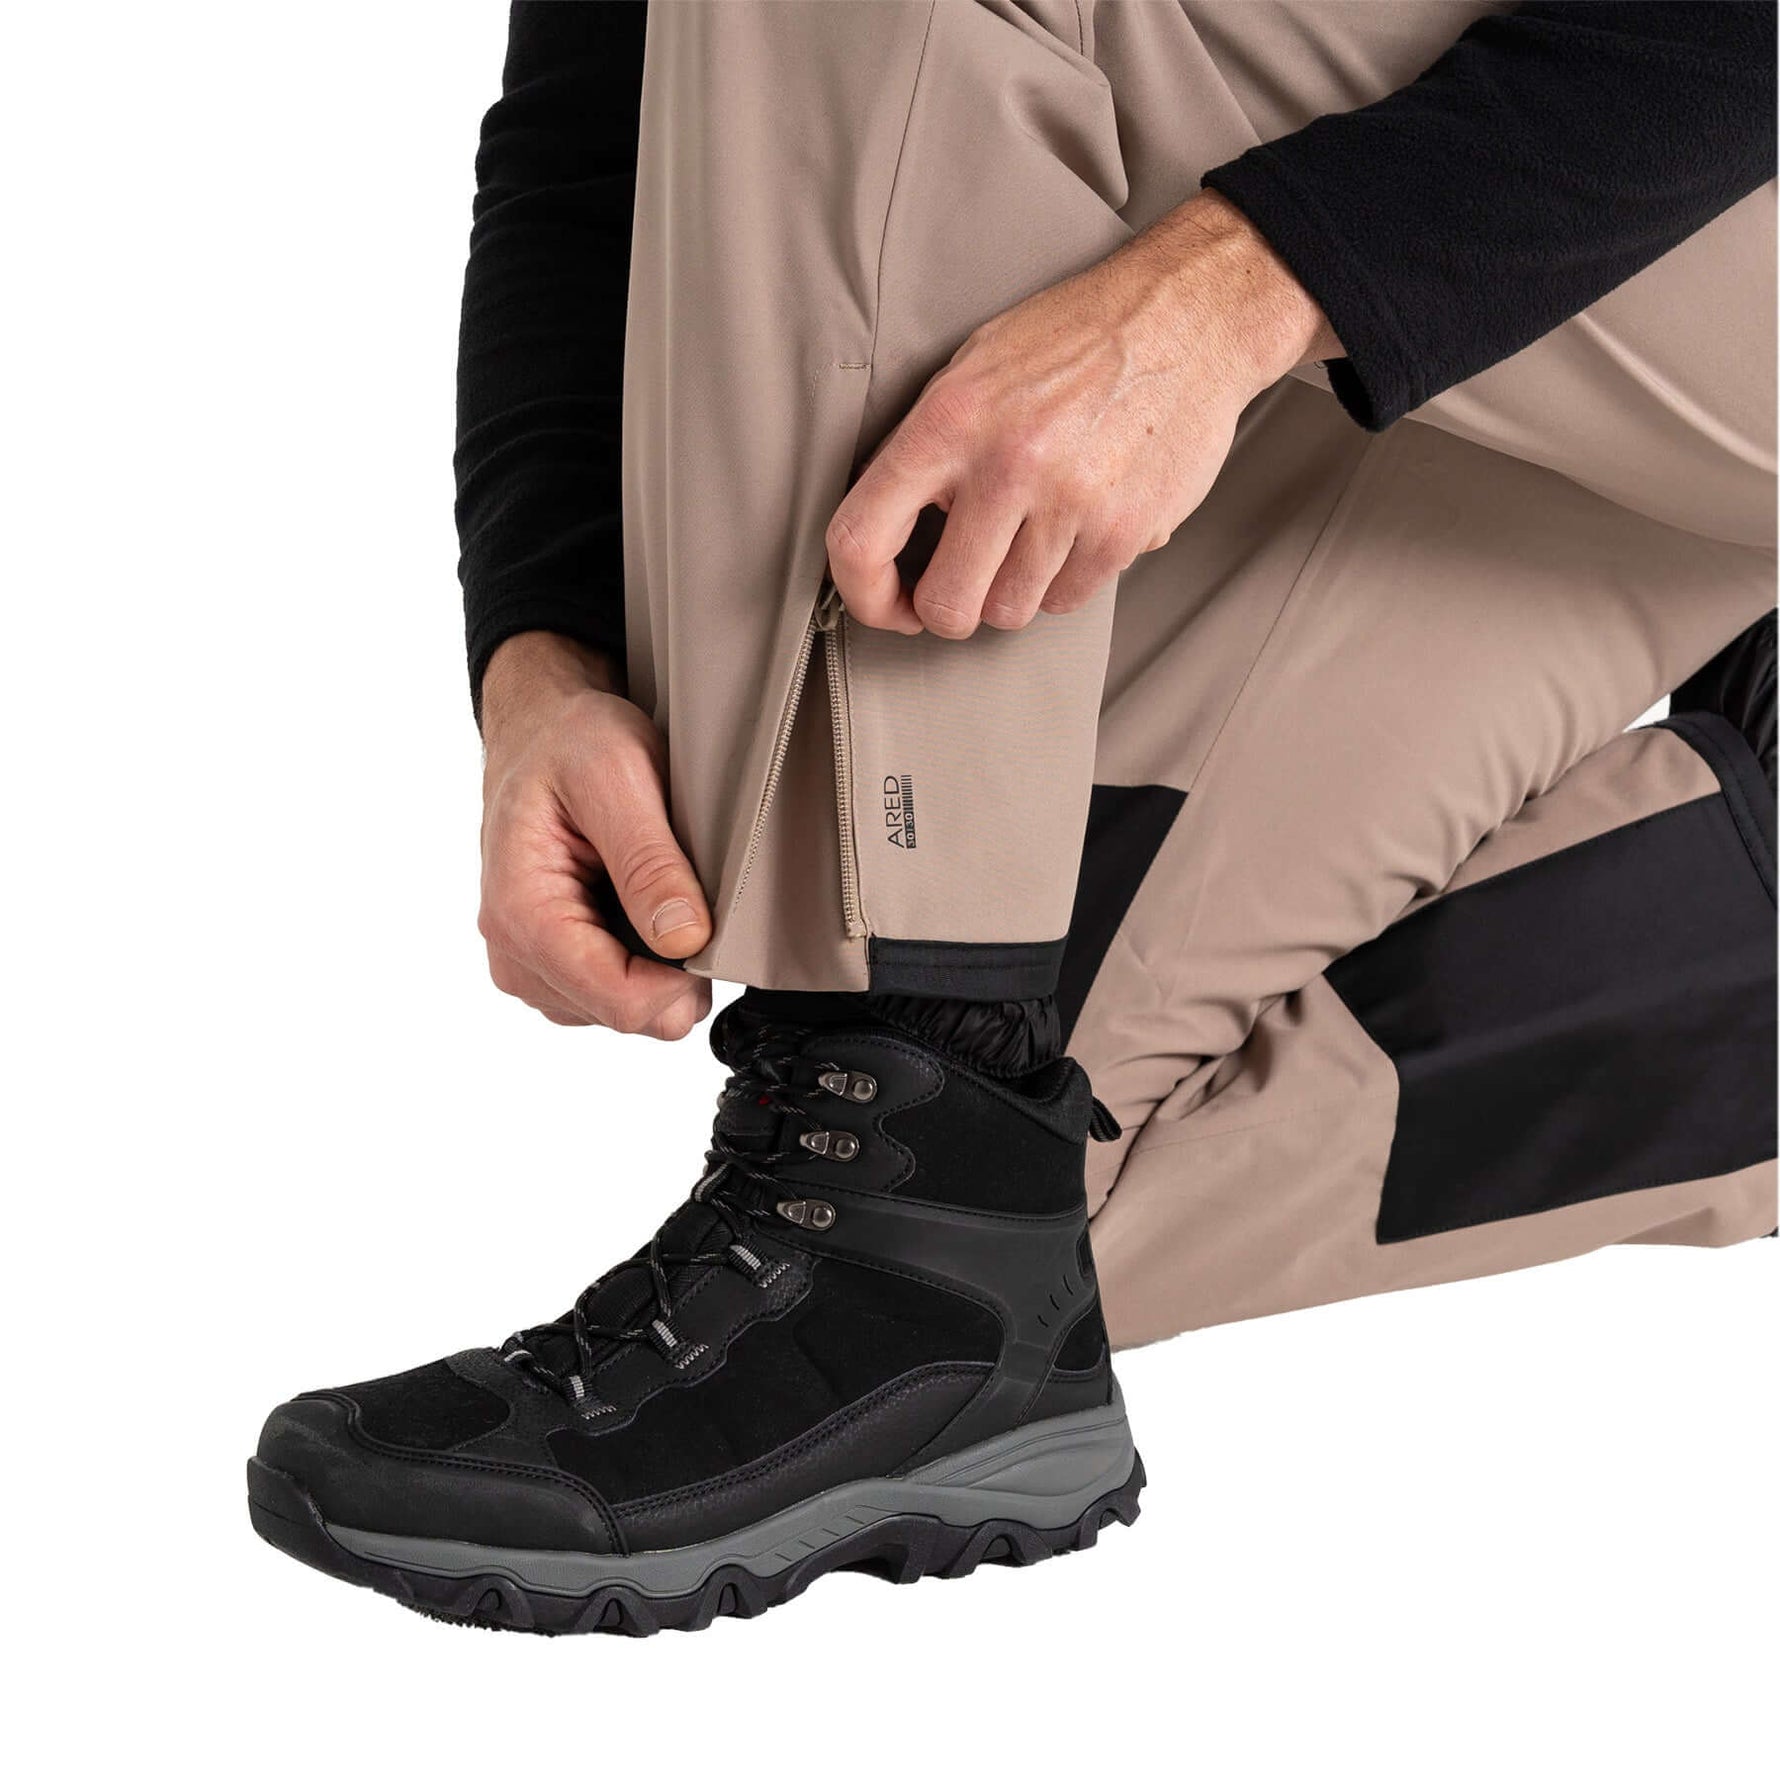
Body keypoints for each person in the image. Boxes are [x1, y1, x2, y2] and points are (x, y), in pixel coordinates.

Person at [249, 1, 1777, 1635]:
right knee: (1008, 1195)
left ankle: (909, 1051)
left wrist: (1230, 293)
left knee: (948, 1085)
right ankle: (900, 1198)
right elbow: (604, 110)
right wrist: (541, 658)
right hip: (1539, 275)